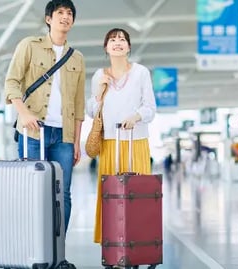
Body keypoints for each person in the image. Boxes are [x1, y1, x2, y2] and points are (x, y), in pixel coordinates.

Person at [4, 0, 85, 235]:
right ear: (48, 19)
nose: (65, 16)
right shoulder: (29, 45)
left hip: (64, 135)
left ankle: (57, 252)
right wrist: (24, 113)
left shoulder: (76, 57)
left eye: (69, 13)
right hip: (32, 132)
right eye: (60, 12)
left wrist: (77, 141)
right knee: (32, 189)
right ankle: (33, 250)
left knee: (63, 193)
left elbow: (79, 103)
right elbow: (11, 82)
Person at [86, 28, 156, 244]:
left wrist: (135, 116)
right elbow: (91, 110)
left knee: (139, 194)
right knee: (111, 196)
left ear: (129, 47)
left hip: (136, 141)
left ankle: (139, 243)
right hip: (109, 143)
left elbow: (150, 108)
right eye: (112, 40)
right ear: (106, 48)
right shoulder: (99, 75)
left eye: (122, 39)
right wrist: (100, 91)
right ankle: (112, 245)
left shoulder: (141, 72)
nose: (118, 42)